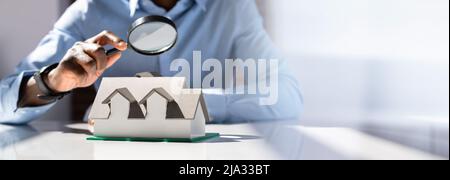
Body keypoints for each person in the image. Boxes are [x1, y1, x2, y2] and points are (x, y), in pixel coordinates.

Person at [0, 0, 303, 124]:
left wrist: (184, 104)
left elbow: (287, 95)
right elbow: (4, 101)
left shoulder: (231, 8)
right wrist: (53, 81)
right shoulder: (90, 9)